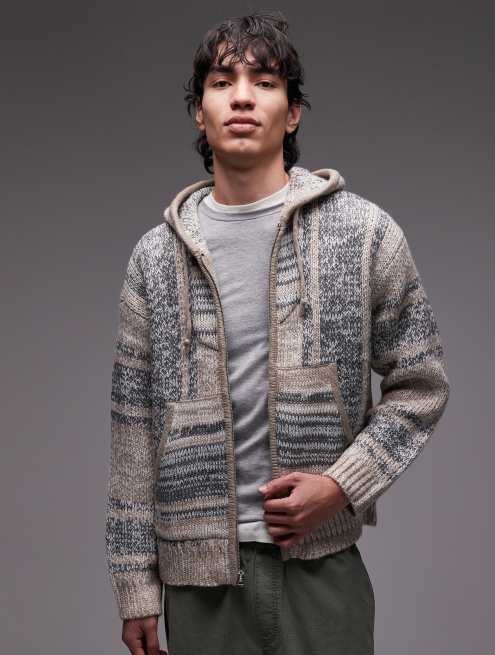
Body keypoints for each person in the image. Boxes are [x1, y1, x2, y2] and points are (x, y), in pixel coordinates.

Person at [105, 10, 450, 655]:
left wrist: (342, 485)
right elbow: (133, 432)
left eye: (264, 82)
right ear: (199, 112)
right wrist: (134, 585)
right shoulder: (154, 258)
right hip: (197, 585)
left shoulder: (364, 234)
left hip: (322, 570)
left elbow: (421, 385)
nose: (241, 97)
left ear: (292, 114)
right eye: (222, 81)